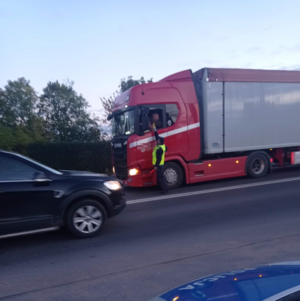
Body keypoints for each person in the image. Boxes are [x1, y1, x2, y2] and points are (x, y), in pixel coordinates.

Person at [152, 126, 168, 194]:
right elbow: (157, 137)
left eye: (158, 140)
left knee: (160, 178)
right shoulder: (161, 146)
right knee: (161, 177)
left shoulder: (159, 149)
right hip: (160, 165)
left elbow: (159, 158)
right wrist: (155, 131)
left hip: (159, 165)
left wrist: (156, 166)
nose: (157, 140)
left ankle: (164, 189)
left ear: (160, 142)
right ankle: (164, 188)